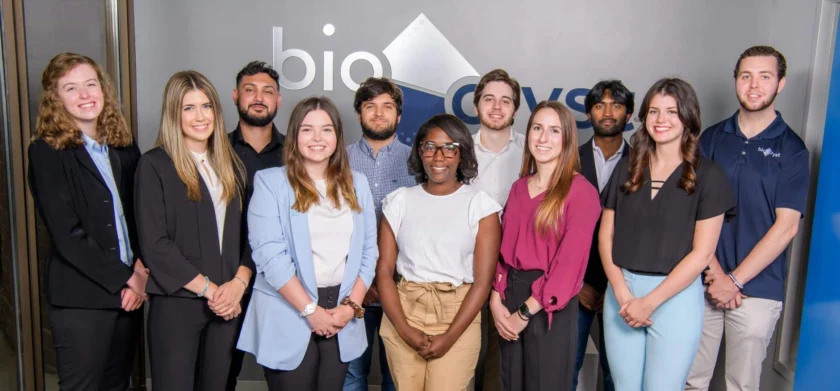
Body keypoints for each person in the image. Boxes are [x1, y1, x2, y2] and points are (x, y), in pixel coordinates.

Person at [686, 46, 810, 391]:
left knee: (741, 385)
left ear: (780, 84)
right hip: (703, 280)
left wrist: (735, 281)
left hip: (759, 288)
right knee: (690, 381)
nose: (754, 85)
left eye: (765, 77)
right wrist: (715, 274)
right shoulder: (711, 138)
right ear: (736, 81)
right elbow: (693, 211)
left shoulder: (793, 149)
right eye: (746, 76)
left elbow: (786, 227)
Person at [600, 78, 735, 390]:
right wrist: (623, 294)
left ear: (688, 117)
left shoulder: (709, 176)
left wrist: (649, 302)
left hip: (675, 298)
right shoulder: (627, 167)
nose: (661, 120)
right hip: (622, 293)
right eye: (654, 112)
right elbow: (605, 237)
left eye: (672, 112)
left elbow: (702, 254)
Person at [237, 96, 377, 391]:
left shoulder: (357, 184)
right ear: (294, 136)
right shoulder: (270, 183)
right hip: (289, 312)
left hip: (341, 314)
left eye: (326, 129)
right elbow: (269, 256)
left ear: (337, 136)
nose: (317, 138)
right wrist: (310, 311)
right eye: (307, 130)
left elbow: (368, 251)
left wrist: (351, 307)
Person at [28, 52, 147, 390]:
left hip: (129, 295)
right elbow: (68, 236)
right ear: (56, 99)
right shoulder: (46, 153)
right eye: (71, 88)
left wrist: (141, 269)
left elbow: (140, 215)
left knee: (118, 385)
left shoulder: (122, 147)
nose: (85, 95)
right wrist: (128, 278)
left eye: (90, 84)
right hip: (81, 298)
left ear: (103, 90)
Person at [135, 70, 250, 390]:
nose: (200, 116)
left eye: (206, 106)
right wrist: (212, 291)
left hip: (227, 305)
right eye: (188, 108)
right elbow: (155, 245)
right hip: (178, 305)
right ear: (174, 113)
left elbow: (250, 237)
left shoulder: (230, 165)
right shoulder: (154, 165)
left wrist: (238, 285)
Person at [376, 114, 502, 391]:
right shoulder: (399, 201)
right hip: (404, 310)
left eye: (449, 147)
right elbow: (384, 271)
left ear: (461, 154)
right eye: (430, 146)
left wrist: (449, 337)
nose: (438, 156)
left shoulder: (480, 206)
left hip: (458, 313)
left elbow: (483, 281)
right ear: (420, 151)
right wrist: (404, 329)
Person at [491, 101, 601, 390]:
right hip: (509, 296)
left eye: (554, 131)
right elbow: (504, 251)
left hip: (548, 304)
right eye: (537, 128)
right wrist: (496, 296)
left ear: (567, 139)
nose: (543, 138)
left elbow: (569, 267)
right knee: (511, 381)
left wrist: (525, 312)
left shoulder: (581, 193)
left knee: (546, 383)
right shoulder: (518, 188)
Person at [344, 77, 414, 391]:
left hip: (402, 291)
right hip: (351, 290)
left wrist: (385, 280)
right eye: (370, 106)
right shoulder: (337, 160)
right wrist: (365, 280)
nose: (378, 113)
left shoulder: (419, 161)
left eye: (387, 107)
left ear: (398, 115)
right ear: (359, 114)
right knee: (351, 377)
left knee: (397, 379)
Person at [226, 60, 286, 391]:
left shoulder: (297, 152)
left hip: (281, 284)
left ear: (279, 100)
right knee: (221, 373)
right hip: (225, 279)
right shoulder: (214, 149)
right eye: (250, 90)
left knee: (283, 375)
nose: (258, 97)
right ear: (236, 96)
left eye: (268, 91)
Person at [574, 80, 635, 391]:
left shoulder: (644, 164)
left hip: (624, 287)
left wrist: (617, 286)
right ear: (588, 113)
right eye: (600, 106)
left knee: (618, 376)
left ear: (629, 114)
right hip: (575, 285)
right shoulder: (567, 159)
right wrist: (577, 283)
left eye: (617, 105)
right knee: (566, 369)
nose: (608, 112)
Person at [470, 69, 525, 391]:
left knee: (501, 365)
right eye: (489, 99)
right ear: (477, 105)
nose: (496, 107)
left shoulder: (533, 152)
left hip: (514, 274)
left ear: (515, 109)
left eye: (505, 101)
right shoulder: (457, 150)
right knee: (462, 359)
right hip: (464, 270)